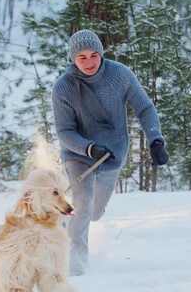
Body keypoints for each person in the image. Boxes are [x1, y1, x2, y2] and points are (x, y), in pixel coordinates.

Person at [52, 29, 169, 276]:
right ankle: (76, 268)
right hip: (78, 153)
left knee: (94, 213)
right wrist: (89, 148)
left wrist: (155, 139)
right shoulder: (64, 87)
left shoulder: (119, 75)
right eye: (82, 57)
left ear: (101, 54)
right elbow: (64, 131)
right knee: (82, 204)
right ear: (72, 58)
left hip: (112, 154)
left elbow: (145, 108)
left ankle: (67, 221)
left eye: (94, 55)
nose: (89, 62)